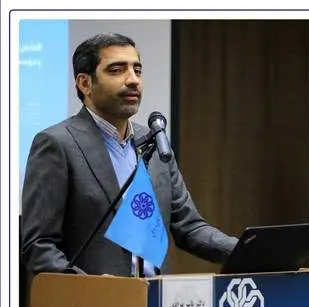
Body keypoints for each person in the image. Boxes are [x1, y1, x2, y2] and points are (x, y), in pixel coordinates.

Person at [20, 33, 238, 278]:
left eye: (137, 70)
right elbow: (39, 246)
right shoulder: (57, 144)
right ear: (85, 84)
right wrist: (89, 287)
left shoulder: (154, 141)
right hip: (92, 299)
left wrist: (246, 250)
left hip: (155, 296)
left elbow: (189, 227)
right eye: (116, 70)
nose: (133, 80)